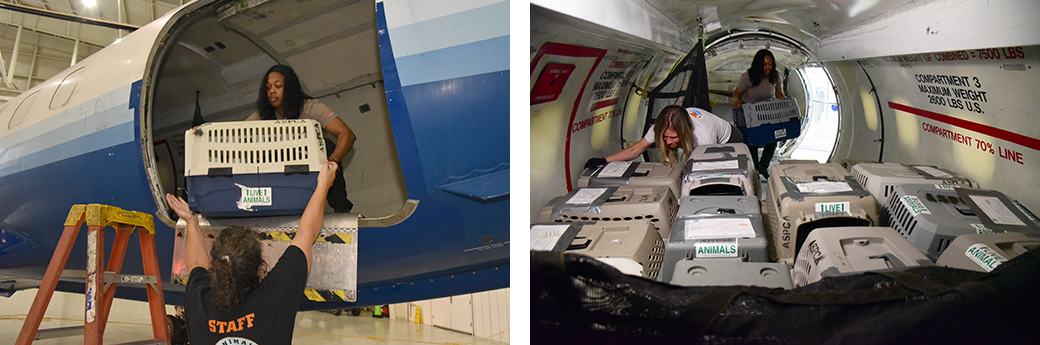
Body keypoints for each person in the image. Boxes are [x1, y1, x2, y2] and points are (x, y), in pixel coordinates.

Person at [166, 159, 338, 345]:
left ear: (214, 267)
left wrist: (191, 221)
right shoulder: (275, 297)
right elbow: (305, 235)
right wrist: (323, 186)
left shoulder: (201, 302)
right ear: (258, 269)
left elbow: (196, 264)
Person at [246, 64, 356, 213]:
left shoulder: (310, 108)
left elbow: (347, 135)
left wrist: (332, 164)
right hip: (282, 176)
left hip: (311, 170)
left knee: (327, 146)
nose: (272, 91)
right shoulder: (261, 117)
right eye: (268, 87)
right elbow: (236, 140)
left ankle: (341, 207)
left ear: (289, 88)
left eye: (277, 86)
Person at [585, 105, 742, 169]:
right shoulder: (661, 127)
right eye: (664, 137)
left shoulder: (703, 136)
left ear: (684, 132)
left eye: (673, 137)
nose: (667, 142)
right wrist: (605, 161)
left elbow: (706, 170)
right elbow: (635, 150)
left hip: (730, 139)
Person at [732, 49, 786, 177]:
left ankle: (763, 166)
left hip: (767, 109)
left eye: (770, 64)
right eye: (764, 64)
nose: (767, 67)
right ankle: (755, 169)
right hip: (750, 109)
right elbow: (737, 93)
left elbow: (779, 94)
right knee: (753, 141)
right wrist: (738, 100)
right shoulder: (748, 77)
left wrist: (785, 105)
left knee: (773, 139)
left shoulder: (775, 76)